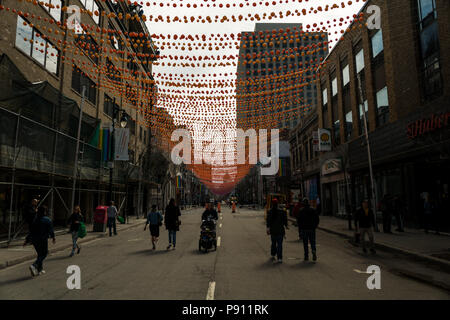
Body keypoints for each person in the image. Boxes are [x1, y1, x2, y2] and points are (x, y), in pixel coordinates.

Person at [23, 206, 55, 276]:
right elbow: (51, 230)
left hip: (34, 240)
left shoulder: (35, 220)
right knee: (44, 253)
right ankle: (34, 265)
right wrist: (53, 237)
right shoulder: (47, 220)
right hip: (42, 239)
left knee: (40, 254)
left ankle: (39, 269)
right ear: (44, 212)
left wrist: (27, 240)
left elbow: (31, 231)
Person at [266, 198, 288, 264]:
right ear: (277, 204)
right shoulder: (282, 211)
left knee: (273, 243)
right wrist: (286, 225)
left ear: (272, 204)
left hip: (273, 230)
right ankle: (280, 258)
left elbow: (268, 221)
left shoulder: (270, 211)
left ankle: (273, 253)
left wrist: (268, 228)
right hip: (280, 230)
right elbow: (285, 220)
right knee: (280, 244)